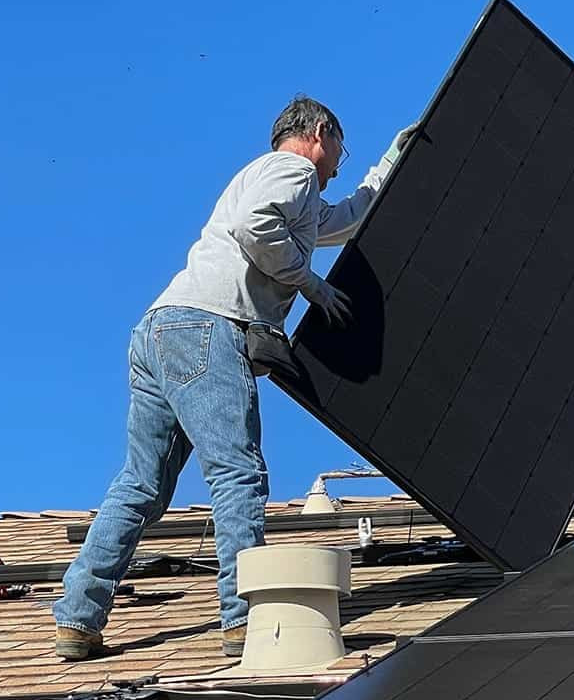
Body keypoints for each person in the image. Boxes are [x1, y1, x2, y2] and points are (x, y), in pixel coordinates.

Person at [53, 96, 417, 660]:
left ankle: (78, 616)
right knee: (237, 472)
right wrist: (311, 286)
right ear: (320, 132)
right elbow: (256, 228)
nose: (341, 161)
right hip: (208, 327)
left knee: (141, 486)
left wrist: (391, 162)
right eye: (342, 147)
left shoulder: (276, 183)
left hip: (159, 330)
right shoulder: (291, 170)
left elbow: (342, 221)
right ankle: (244, 619)